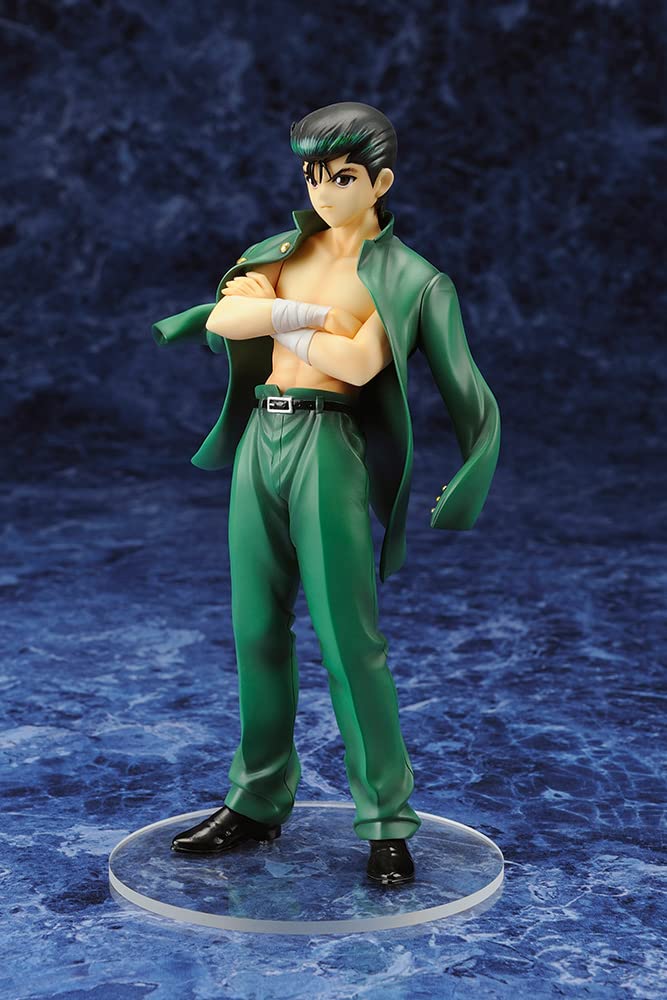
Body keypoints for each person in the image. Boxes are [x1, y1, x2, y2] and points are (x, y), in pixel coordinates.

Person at [152, 102, 500, 886]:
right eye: (312, 175)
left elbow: (358, 366)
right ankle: (256, 798)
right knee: (255, 631)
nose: (322, 191)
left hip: (328, 446)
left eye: (341, 177)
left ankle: (385, 822)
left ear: (380, 182)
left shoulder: (409, 278)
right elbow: (224, 321)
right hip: (261, 440)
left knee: (349, 642)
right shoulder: (281, 250)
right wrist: (306, 317)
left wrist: (271, 316)